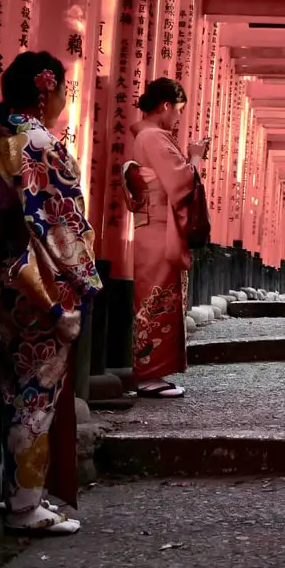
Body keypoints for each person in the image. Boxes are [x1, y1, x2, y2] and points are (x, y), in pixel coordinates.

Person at [0, 51, 102, 536]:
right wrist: (73, 289)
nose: (67, 97)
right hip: (40, 286)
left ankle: (16, 496)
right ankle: (27, 506)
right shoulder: (39, 144)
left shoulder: (7, 137)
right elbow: (55, 224)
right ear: (46, 89)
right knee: (36, 396)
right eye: (65, 88)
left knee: (15, 390)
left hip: (6, 280)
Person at [127, 77, 207, 399]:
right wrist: (197, 157)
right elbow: (181, 182)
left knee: (153, 297)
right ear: (165, 106)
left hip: (153, 226)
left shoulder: (145, 136)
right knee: (156, 298)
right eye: (178, 111)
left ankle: (150, 372)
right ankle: (148, 374)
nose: (178, 118)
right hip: (160, 229)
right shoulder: (155, 137)